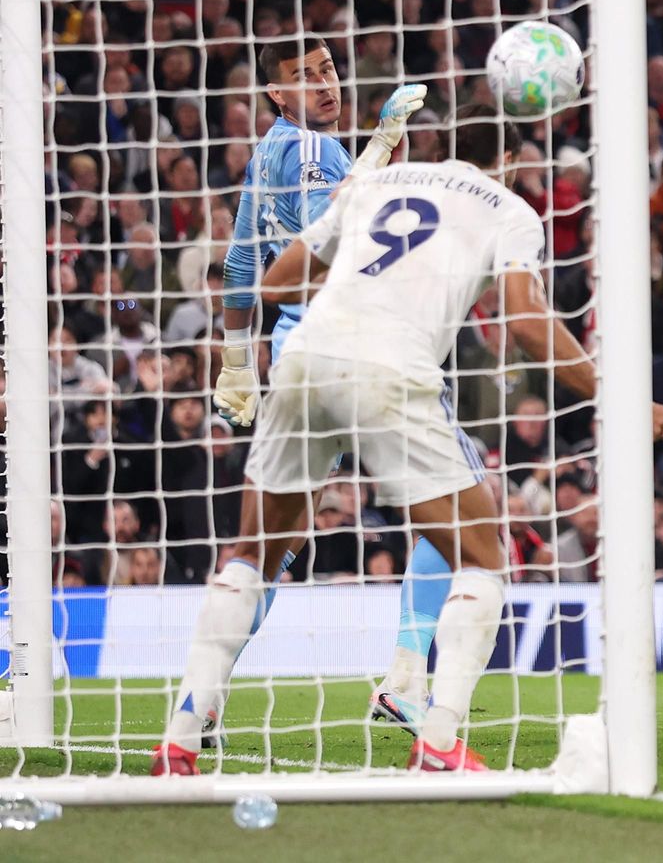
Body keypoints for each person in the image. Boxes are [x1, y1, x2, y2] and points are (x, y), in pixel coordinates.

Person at [154, 108, 596, 775]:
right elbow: (528, 320)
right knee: (481, 552)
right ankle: (439, 737)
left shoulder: (375, 182)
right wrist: (609, 390)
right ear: (512, 162)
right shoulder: (509, 209)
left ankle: (180, 737)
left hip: (305, 354)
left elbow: (277, 284)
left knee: (251, 551)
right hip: (391, 368)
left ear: (441, 149)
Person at [210, 36, 472, 743]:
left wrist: (236, 360)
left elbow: (240, 265)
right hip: (353, 344)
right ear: (275, 92)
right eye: (304, 76)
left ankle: (201, 699)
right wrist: (385, 144)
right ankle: (407, 678)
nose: (326, 85)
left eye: (328, 70)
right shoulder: (319, 152)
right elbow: (346, 233)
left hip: (290, 353)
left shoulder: (265, 152)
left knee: (273, 543)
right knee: (461, 497)